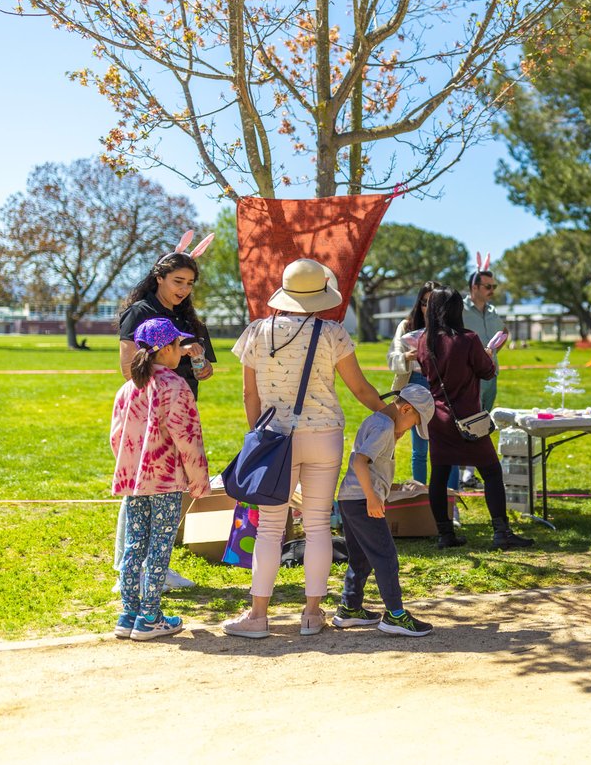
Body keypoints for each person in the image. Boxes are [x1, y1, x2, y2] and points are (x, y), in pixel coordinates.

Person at [222, 258, 387, 639]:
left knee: (269, 530)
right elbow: (360, 388)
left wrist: (258, 438)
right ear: (320, 296)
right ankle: (312, 615)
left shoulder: (257, 331)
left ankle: (258, 616)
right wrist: (387, 414)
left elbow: (250, 393)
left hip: (275, 437)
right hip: (325, 435)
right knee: (316, 527)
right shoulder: (333, 333)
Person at [115, 233, 216, 593]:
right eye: (177, 281)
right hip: (148, 413)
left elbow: (205, 368)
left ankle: (156, 567)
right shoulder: (140, 313)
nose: (184, 289)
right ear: (158, 278)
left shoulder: (189, 318)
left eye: (189, 283)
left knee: (173, 491)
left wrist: (200, 363)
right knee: (140, 489)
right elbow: (129, 368)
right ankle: (127, 567)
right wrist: (165, 377)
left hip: (182, 410)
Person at [110, 318, 210, 641]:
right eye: (178, 345)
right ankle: (150, 616)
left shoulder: (128, 388)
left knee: (134, 544)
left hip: (134, 481)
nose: (181, 351)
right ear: (166, 349)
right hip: (166, 481)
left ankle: (129, 613)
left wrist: (130, 469)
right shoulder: (175, 386)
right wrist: (199, 480)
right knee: (159, 545)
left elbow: (116, 437)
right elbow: (188, 437)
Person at [416, 286, 532, 550]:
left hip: (438, 416)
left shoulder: (425, 340)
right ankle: (501, 532)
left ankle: (445, 534)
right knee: (491, 471)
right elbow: (487, 371)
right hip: (468, 418)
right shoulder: (467, 339)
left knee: (439, 474)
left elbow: (426, 371)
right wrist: (488, 354)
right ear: (457, 310)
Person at [331, 384, 437, 637]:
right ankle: (395, 615)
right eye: (414, 422)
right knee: (386, 556)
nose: (411, 427)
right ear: (407, 408)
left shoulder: (379, 421)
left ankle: (350, 607)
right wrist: (371, 498)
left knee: (361, 557)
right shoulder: (384, 427)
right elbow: (359, 461)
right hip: (362, 500)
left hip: (349, 499)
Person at [458, 252, 506, 490]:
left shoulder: (493, 311)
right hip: (469, 378)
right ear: (474, 286)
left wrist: (494, 351)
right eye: (488, 286)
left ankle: (469, 473)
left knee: (483, 422)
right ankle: (458, 472)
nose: (492, 290)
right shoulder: (460, 310)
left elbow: (503, 332)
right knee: (466, 423)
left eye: (493, 286)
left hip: (490, 376)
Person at [387, 280, 443, 484]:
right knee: (419, 448)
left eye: (434, 303)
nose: (428, 308)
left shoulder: (449, 328)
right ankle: (421, 496)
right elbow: (391, 359)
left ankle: (449, 501)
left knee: (446, 449)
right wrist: (407, 357)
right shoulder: (406, 326)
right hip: (414, 385)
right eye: (424, 302)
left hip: (440, 387)